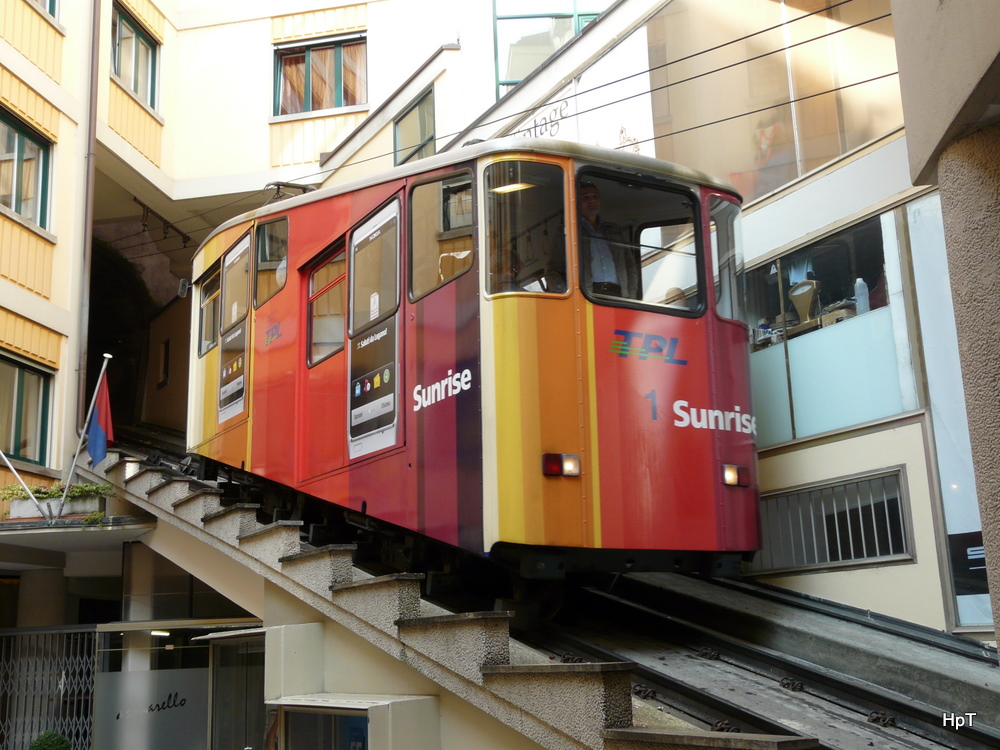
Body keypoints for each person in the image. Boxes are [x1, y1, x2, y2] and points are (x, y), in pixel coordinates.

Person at [578, 181, 640, 299]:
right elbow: (553, 270)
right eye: (585, 197)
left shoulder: (615, 230)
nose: (592, 200)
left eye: (595, 196)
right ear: (576, 202)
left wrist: (630, 296)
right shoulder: (569, 231)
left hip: (617, 295)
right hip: (587, 295)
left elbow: (630, 266)